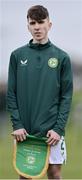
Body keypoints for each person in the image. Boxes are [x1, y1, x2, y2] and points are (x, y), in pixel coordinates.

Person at [7, 5, 73, 180]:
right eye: (33, 23)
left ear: (49, 25)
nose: (37, 27)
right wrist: (17, 125)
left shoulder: (62, 57)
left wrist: (58, 128)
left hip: (52, 132)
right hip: (25, 131)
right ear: (28, 26)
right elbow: (11, 94)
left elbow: (66, 97)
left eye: (41, 22)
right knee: (25, 176)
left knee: (54, 174)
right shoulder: (16, 56)